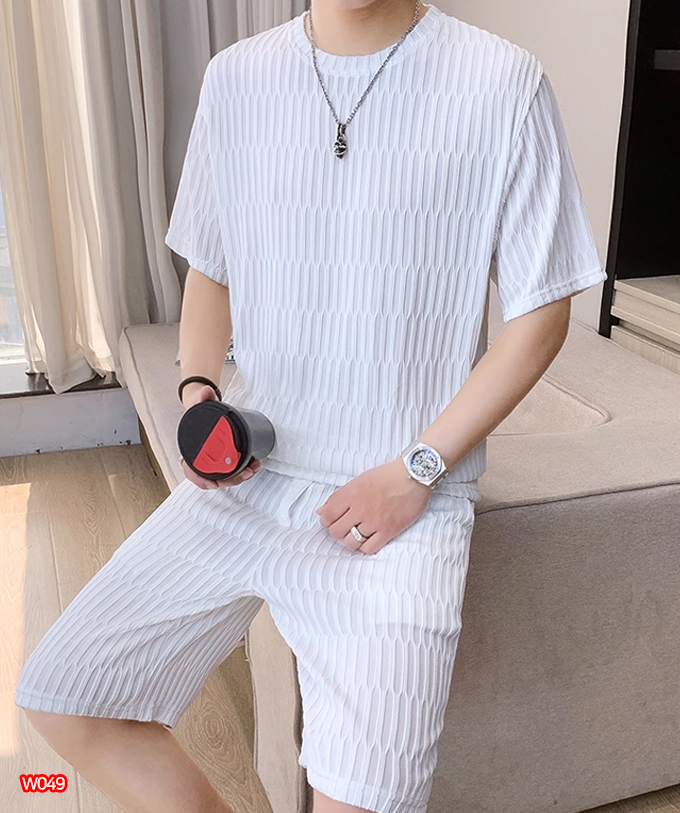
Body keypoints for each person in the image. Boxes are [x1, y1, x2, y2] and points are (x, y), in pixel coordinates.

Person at [14, 2, 606, 812]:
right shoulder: (236, 79)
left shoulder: (503, 82)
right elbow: (212, 270)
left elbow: (542, 313)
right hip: (246, 478)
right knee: (65, 694)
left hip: (399, 512)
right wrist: (198, 394)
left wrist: (417, 469)